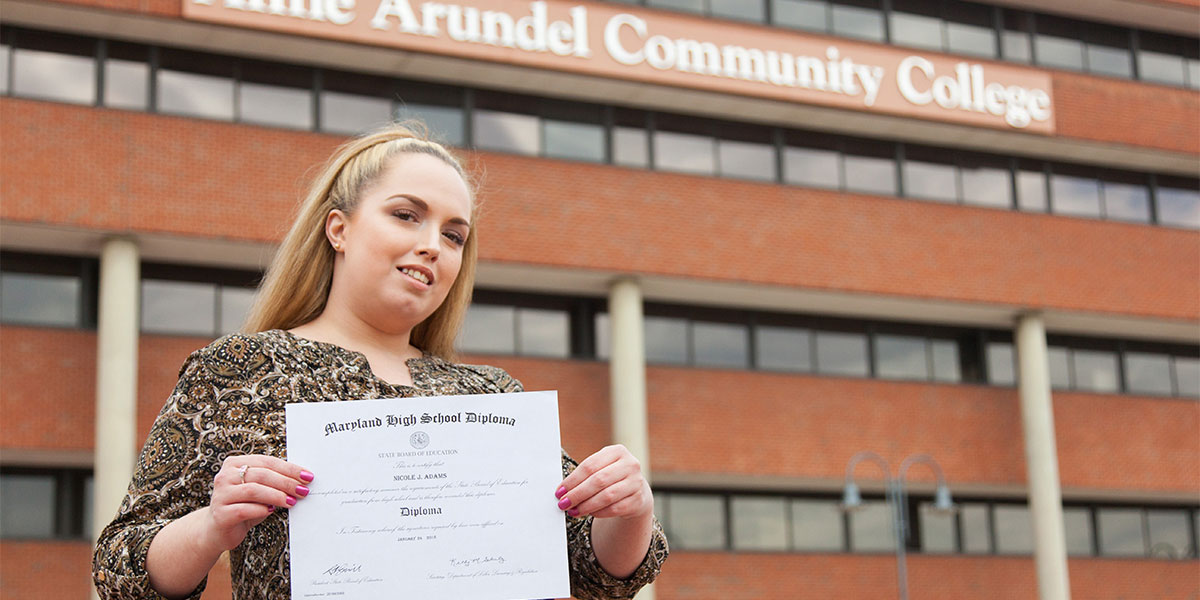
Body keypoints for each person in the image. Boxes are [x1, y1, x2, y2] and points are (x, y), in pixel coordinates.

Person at [92, 123, 669, 600]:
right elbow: (120, 568)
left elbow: (592, 570)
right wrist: (213, 525)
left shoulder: (493, 396)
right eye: (406, 215)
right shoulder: (239, 370)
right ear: (338, 229)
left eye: (454, 235)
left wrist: (630, 509)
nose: (433, 245)